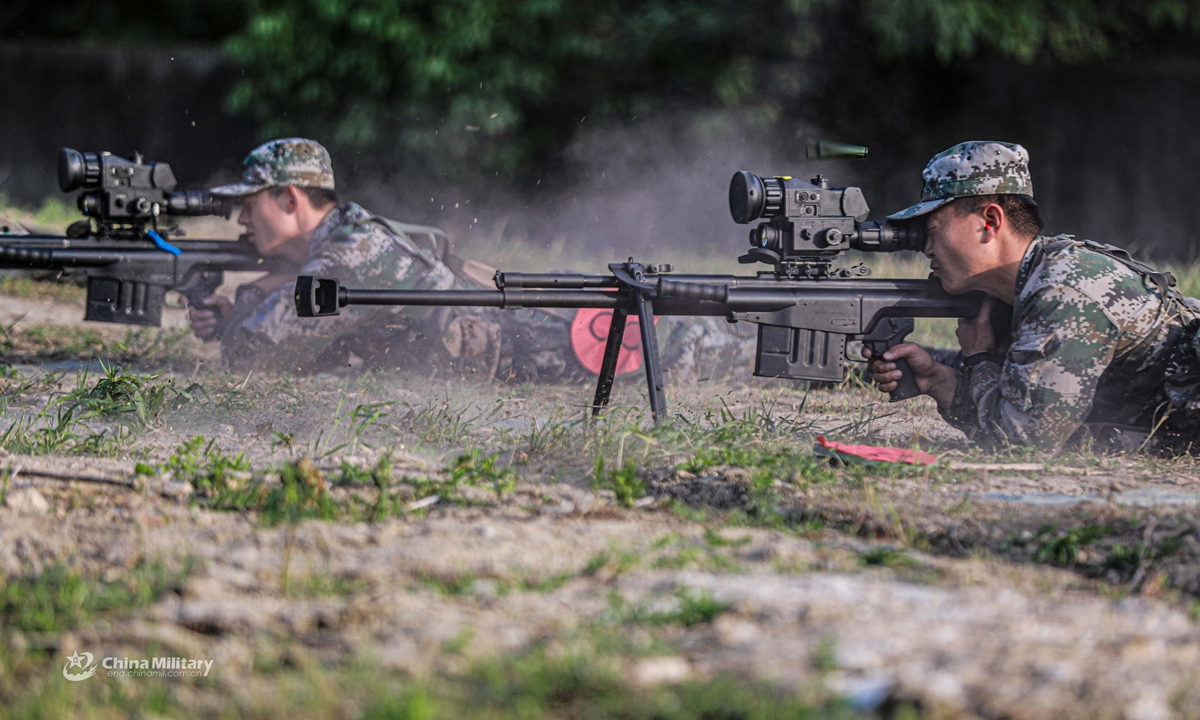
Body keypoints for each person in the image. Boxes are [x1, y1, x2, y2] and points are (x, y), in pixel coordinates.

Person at [191, 138, 757, 382]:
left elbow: (255, 358)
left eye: (250, 203)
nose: (242, 219)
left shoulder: (349, 254)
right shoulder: (345, 242)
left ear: (290, 199)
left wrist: (248, 298)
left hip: (555, 349)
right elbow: (315, 348)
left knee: (727, 347)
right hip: (523, 346)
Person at [866, 141, 1200, 453]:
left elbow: (1025, 441)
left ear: (990, 221)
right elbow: (1009, 412)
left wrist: (979, 357)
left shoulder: (1064, 287)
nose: (926, 248)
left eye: (934, 230)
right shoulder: (1028, 284)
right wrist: (938, 380)